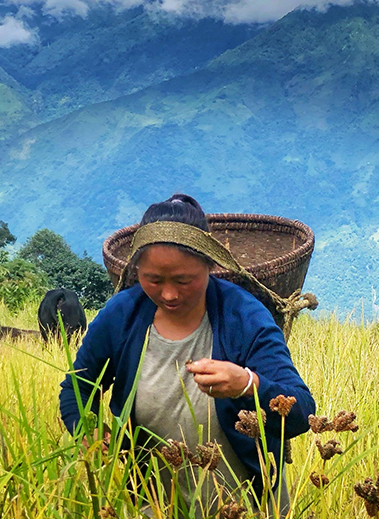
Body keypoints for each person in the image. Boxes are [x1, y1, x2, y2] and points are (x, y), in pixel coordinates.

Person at [58, 194, 315, 516]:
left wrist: (248, 384)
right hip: (155, 505)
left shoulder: (244, 316)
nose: (168, 294)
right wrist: (88, 431)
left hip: (247, 504)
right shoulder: (121, 315)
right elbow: (77, 388)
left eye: (184, 280)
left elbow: (302, 412)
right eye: (153, 279)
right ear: (136, 270)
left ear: (210, 266)